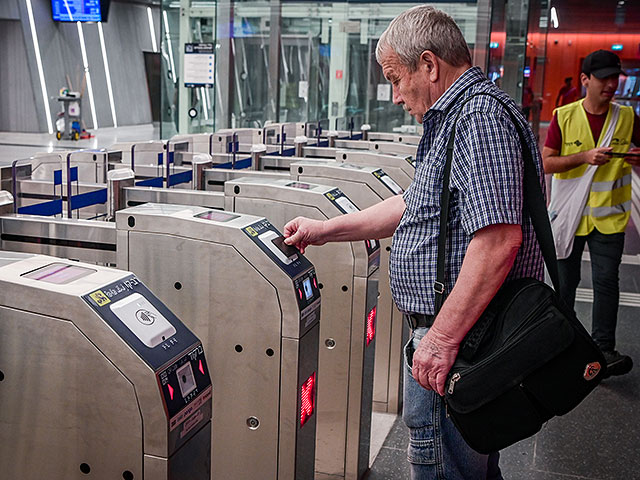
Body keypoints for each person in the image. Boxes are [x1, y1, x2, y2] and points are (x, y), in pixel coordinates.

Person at [283, 5, 544, 479]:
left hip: (462, 339)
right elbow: (415, 203)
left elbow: (499, 240)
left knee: (446, 466)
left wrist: (440, 341)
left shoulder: (478, 120)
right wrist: (326, 230)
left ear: (429, 64)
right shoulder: (456, 118)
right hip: (459, 333)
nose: (396, 94)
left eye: (396, 77)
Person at [542, 49, 640, 377]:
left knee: (606, 282)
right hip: (569, 216)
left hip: (609, 217)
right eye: (604, 78)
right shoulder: (564, 115)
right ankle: (563, 348)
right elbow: (545, 162)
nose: (611, 84)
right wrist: (583, 157)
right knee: (566, 284)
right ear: (586, 80)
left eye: (615, 78)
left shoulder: (626, 117)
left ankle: (603, 350)